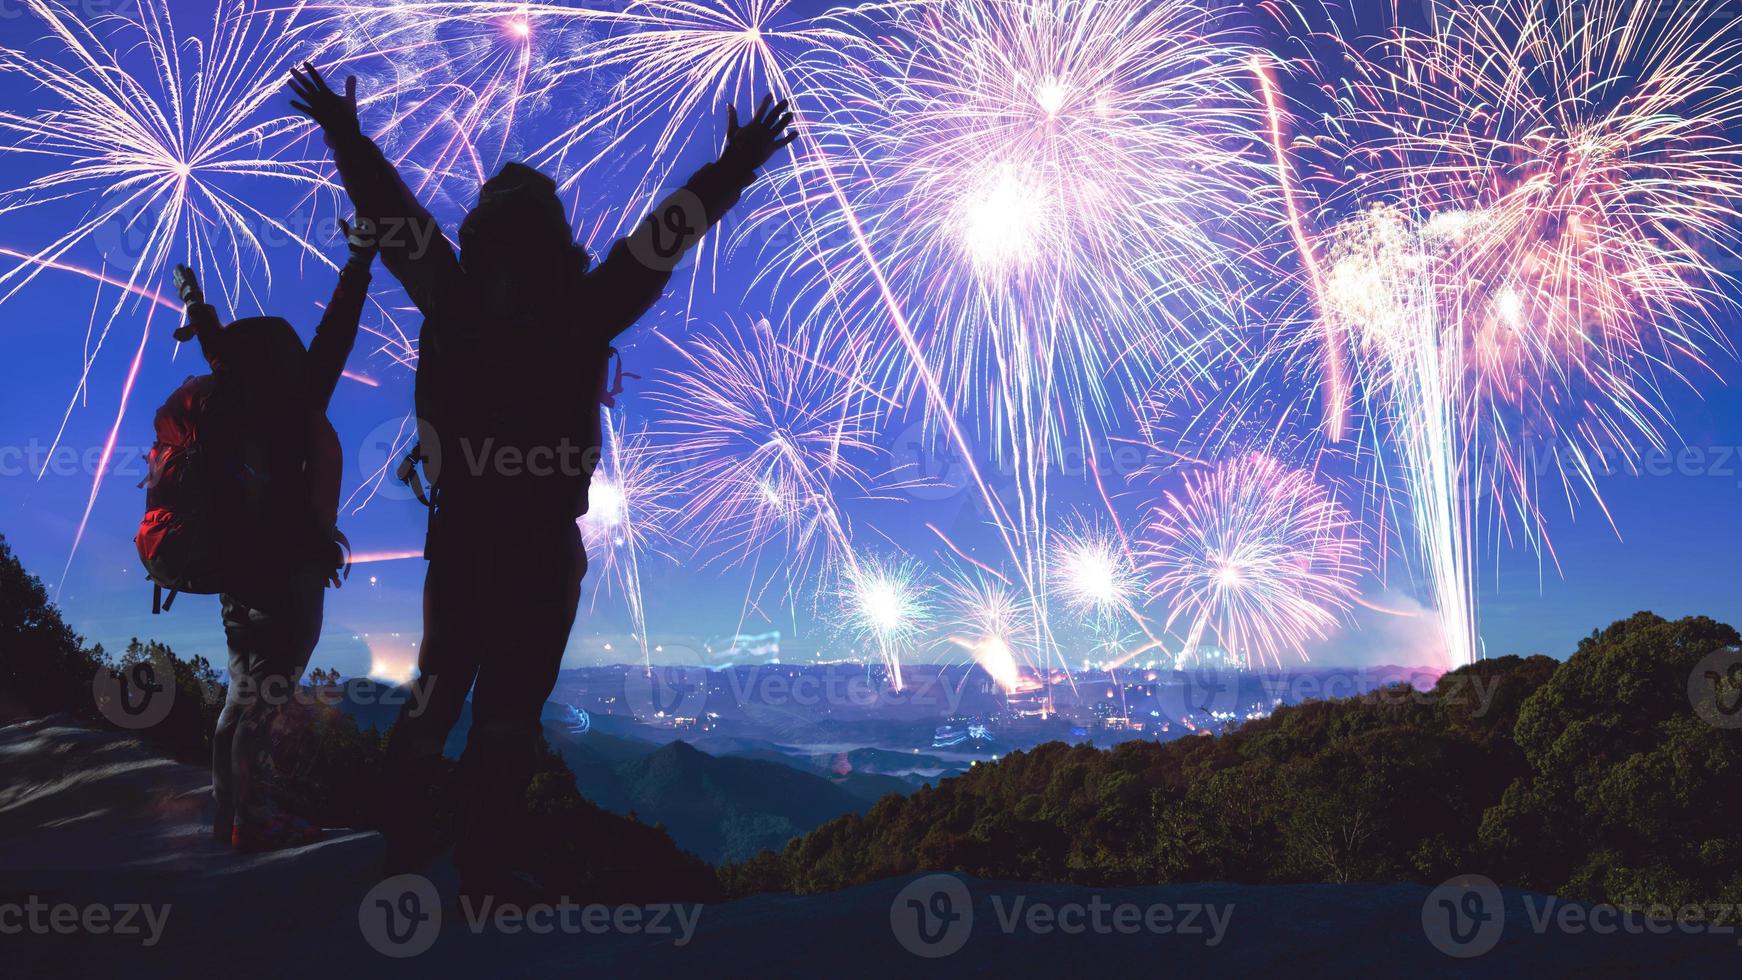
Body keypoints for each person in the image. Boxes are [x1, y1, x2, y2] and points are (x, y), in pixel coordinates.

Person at [286, 63, 796, 894]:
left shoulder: (451, 298)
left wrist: (344, 133)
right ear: (556, 243)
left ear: (480, 239)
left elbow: (393, 212)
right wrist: (736, 162)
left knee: (439, 685)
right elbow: (668, 233)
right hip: (542, 541)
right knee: (510, 711)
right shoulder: (586, 309)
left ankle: (400, 844)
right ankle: (484, 868)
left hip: (463, 530)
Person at [172, 221, 376, 850]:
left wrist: (196, 302)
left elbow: (214, 346)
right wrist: (360, 259)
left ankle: (228, 812)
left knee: (240, 695)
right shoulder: (297, 398)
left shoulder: (229, 395)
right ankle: (248, 822)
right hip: (288, 574)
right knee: (265, 699)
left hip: (235, 573)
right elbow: (336, 332)